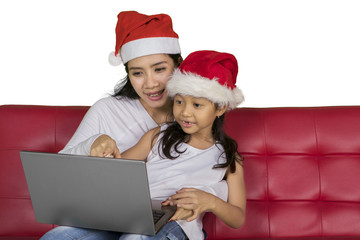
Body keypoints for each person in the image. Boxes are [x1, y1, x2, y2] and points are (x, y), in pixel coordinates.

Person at [40, 11, 231, 240]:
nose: (150, 84)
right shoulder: (107, 110)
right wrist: (91, 146)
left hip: (165, 224)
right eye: (137, 73)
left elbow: (212, 168)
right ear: (128, 74)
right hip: (110, 218)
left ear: (178, 65)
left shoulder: (193, 115)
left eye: (159, 69)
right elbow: (60, 175)